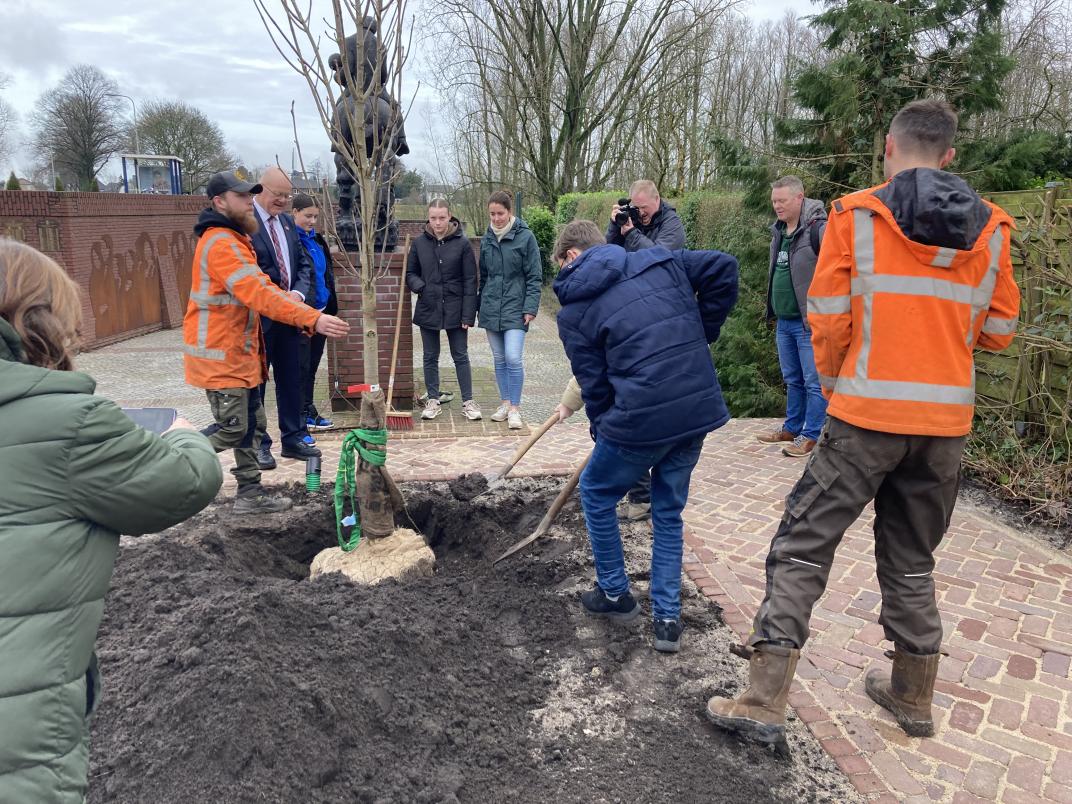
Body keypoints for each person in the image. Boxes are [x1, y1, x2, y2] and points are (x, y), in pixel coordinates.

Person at [707, 99, 1021, 747]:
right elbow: (998, 333)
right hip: (944, 428)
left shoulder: (857, 217)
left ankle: (764, 698)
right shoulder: (993, 230)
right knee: (912, 559)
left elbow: (827, 320)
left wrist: (837, 390)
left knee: (803, 542)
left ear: (888, 147)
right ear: (950, 156)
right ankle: (912, 693)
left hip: (863, 416)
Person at [0, 239, 223, 801]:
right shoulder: (67, 423)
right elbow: (184, 482)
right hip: (18, 733)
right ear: (39, 323)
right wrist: (181, 433)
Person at [553, 220, 739, 654]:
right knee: (668, 512)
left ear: (573, 256)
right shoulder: (660, 260)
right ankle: (668, 621)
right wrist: (701, 333)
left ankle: (616, 593)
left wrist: (603, 432)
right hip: (695, 409)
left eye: (561, 263)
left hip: (640, 420)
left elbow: (595, 387)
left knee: (597, 490)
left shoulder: (574, 312)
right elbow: (724, 268)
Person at [184, 171, 350, 514]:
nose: (249, 202)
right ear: (219, 202)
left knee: (251, 425)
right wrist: (311, 318)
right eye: (242, 197)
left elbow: (267, 287)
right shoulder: (221, 244)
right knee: (232, 429)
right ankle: (166, 457)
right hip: (221, 356)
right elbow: (258, 293)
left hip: (240, 355)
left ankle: (250, 495)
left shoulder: (234, 239)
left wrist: (303, 309)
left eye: (250, 196)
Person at [604, 179, 686, 520]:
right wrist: (615, 227)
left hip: (664, 318)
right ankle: (641, 496)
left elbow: (657, 258)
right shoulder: (630, 220)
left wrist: (630, 231)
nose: (639, 214)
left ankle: (659, 498)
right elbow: (608, 257)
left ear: (657, 200)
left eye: (644, 209)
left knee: (653, 413)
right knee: (631, 410)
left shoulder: (672, 223)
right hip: (632, 314)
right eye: (634, 209)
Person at [250, 166, 318, 467]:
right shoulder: (246, 224)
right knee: (259, 382)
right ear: (261, 190)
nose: (283, 202)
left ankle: (293, 437)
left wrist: (299, 296)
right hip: (261, 318)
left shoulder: (288, 224)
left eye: (287, 196)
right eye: (279, 195)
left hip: (291, 317)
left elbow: (303, 265)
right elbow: (252, 275)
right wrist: (278, 299)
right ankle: (259, 444)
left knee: (292, 378)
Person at [757, 176, 829, 458]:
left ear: (800, 198)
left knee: (813, 381)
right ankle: (792, 427)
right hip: (784, 321)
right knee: (792, 378)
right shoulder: (779, 232)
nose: (777, 206)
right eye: (774, 201)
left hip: (808, 322)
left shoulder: (818, 230)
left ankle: (811, 435)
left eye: (782, 200)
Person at [407, 198, 481, 421]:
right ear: (428, 218)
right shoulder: (419, 244)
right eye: (433, 218)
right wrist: (421, 288)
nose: (438, 222)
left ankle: (468, 401)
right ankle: (432, 400)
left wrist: (468, 314)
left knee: (460, 355)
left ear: (450, 216)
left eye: (442, 217)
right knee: (430, 356)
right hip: (428, 306)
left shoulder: (463, 244)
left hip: (456, 308)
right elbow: (410, 274)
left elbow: (471, 280)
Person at [478, 190, 542, 429]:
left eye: (500, 213)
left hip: (517, 307)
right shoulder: (486, 239)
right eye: (492, 214)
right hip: (491, 306)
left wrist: (530, 307)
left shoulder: (526, 237)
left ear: (510, 212)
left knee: (513, 358)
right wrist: (479, 307)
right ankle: (504, 403)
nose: (496, 219)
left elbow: (535, 277)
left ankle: (515, 408)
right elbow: (483, 277)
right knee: (499, 358)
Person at [291, 193, 338, 433]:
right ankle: (298, 418)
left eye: (315, 217)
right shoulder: (291, 241)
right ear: (294, 213)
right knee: (299, 368)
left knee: (311, 367)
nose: (312, 221)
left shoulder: (317, 241)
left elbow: (324, 274)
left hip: (320, 314)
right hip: (301, 316)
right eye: (307, 216)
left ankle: (308, 410)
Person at [605, 179, 686, 253]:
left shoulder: (672, 223)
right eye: (637, 208)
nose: (641, 213)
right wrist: (615, 225)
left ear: (656, 199)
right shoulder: (631, 216)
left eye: (644, 207)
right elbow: (607, 251)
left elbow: (659, 256)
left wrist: (631, 234)